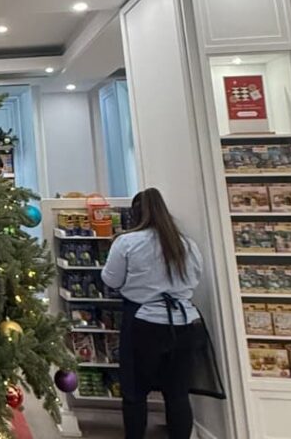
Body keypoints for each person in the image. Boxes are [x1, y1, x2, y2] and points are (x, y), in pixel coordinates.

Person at [101, 188, 204, 439]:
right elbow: (196, 277)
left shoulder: (127, 242)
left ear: (135, 214)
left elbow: (110, 279)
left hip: (144, 323)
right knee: (178, 394)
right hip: (186, 323)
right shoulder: (185, 243)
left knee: (135, 392)